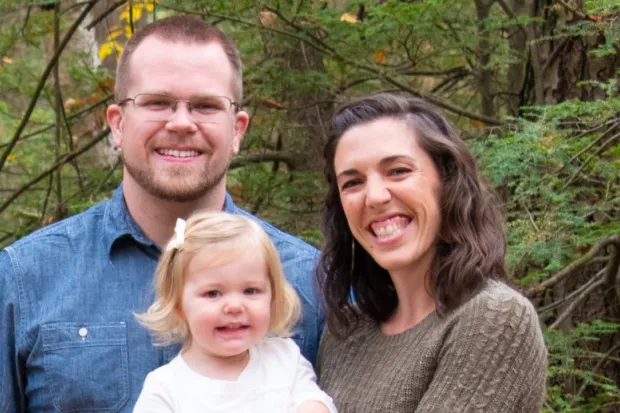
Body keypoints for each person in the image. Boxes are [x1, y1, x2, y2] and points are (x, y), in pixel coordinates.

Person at [0, 15, 322, 412]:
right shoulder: (24, 279)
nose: (182, 122)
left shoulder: (313, 281)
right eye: (157, 103)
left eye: (205, 105)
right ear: (117, 125)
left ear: (238, 130)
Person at [316, 93, 548, 412]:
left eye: (397, 171)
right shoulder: (345, 333)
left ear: (447, 180)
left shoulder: (494, 317)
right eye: (352, 182)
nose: (375, 196)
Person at [132, 212, 336, 413]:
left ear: (272, 297)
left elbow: (315, 400)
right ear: (179, 306)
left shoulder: (284, 358)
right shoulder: (166, 389)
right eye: (213, 293)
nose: (235, 306)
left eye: (251, 291)